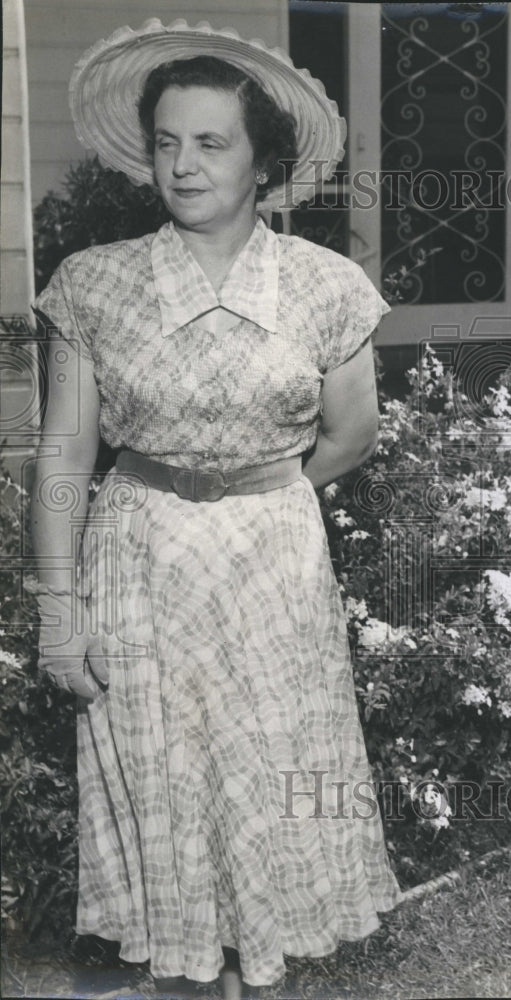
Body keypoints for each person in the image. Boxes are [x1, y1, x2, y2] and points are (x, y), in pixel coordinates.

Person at [31, 20, 400, 998]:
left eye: (211, 142)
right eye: (167, 143)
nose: (184, 166)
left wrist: (256, 495)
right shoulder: (94, 284)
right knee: (167, 791)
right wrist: (58, 607)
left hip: (272, 572)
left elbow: (352, 433)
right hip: (140, 567)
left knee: (265, 789)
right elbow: (65, 453)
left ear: (263, 160)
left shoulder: (327, 286)